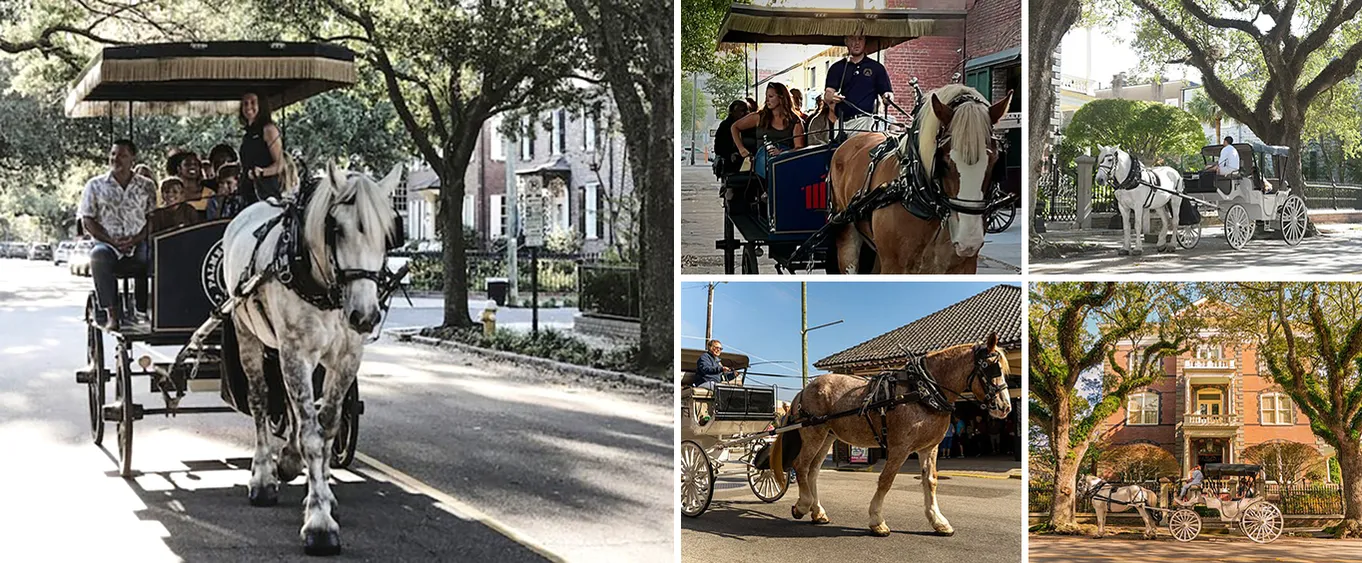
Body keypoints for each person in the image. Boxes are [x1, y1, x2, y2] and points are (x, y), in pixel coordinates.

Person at [78, 140, 155, 331]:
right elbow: (87, 219)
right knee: (98, 256)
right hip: (107, 243)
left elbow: (152, 218)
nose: (115, 159)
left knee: (152, 257)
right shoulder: (94, 185)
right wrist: (111, 241)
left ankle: (145, 310)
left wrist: (137, 239)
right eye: (113, 154)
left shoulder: (146, 186)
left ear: (132, 159)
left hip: (138, 242)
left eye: (122, 155)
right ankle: (113, 315)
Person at [824, 33, 894, 138]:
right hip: (842, 124)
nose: (857, 43)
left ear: (865, 41)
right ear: (846, 41)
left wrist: (888, 97)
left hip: (865, 122)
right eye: (852, 39)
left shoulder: (876, 68)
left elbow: (887, 92)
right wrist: (831, 96)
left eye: (860, 39)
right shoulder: (836, 68)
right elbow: (828, 94)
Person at [731, 82, 806, 178]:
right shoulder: (759, 117)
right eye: (766, 96)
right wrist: (741, 149)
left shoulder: (795, 121)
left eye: (770, 96)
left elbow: (799, 148)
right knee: (766, 159)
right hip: (763, 158)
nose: (767, 100)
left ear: (781, 98)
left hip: (785, 159)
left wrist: (782, 153)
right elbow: (735, 127)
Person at [239, 92, 287, 203]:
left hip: (266, 193)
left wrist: (261, 172)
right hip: (248, 191)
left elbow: (280, 164)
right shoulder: (247, 134)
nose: (248, 107)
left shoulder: (269, 130)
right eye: (245, 104)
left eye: (253, 103)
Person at [713, 100, 750, 177]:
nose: (745, 113)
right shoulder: (725, 126)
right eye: (742, 111)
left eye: (746, 110)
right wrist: (730, 155)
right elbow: (718, 147)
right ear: (733, 112)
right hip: (730, 165)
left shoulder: (748, 126)